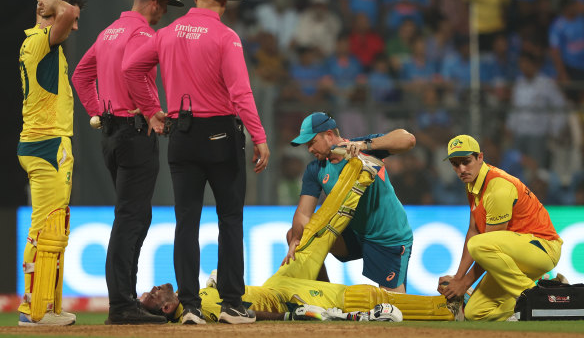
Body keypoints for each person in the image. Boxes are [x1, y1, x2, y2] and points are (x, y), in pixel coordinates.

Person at [140, 152, 456, 322]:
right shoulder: (198, 313)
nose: (154, 288)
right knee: (368, 298)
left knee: (313, 234)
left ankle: (360, 176)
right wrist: (290, 313)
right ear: (167, 309)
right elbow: (250, 312)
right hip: (284, 298)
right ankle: (445, 308)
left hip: (278, 282)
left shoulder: (194, 300)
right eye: (151, 296)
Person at [122, 0, 270, 325]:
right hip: (220, 136)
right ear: (224, 1)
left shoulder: (167, 33)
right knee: (229, 219)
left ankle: (189, 306)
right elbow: (240, 92)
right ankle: (232, 304)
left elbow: (130, 68)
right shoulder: (226, 36)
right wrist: (259, 136)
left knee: (186, 221)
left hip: (181, 135)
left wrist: (152, 109)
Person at [71, 0, 183, 325]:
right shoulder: (145, 34)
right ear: (154, 2)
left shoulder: (108, 32)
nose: (163, 12)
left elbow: (81, 75)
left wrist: (97, 112)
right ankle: (121, 305)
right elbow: (132, 72)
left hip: (111, 133)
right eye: (164, 5)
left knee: (135, 215)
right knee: (131, 218)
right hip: (134, 135)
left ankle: (126, 299)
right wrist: (152, 112)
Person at [284, 112, 415, 293]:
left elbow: (408, 140)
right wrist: (296, 240)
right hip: (352, 234)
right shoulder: (315, 169)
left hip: (386, 236)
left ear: (329, 135)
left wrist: (365, 144)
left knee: (393, 307)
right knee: (296, 235)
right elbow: (304, 213)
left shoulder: (364, 148)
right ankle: (323, 298)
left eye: (311, 142)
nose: (309, 150)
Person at [439, 135, 563, 321]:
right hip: (516, 255)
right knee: (475, 313)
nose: (461, 169)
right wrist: (458, 278)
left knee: (478, 244)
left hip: (542, 248)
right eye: (455, 164)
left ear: (480, 157)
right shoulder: (473, 183)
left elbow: (485, 245)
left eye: (466, 161)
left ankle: (534, 296)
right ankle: (549, 292)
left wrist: (464, 284)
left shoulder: (498, 188)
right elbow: (473, 229)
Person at [17, 0, 85, 326]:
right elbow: (69, 14)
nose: (75, 27)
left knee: (53, 227)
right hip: (47, 145)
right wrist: (54, 4)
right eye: (72, 20)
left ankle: (48, 307)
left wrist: (55, 6)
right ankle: (35, 310)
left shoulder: (37, 43)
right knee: (45, 229)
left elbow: (68, 14)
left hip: (41, 143)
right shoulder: (43, 39)